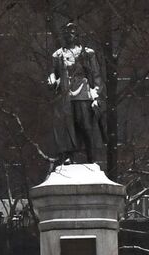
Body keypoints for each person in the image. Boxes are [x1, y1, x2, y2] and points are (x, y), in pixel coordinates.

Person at [47, 21, 107, 166]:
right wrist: (51, 80)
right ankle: (69, 155)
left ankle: (90, 156)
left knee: (85, 124)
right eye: (67, 34)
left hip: (83, 92)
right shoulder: (58, 55)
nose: (69, 36)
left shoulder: (87, 53)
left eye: (72, 33)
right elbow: (53, 73)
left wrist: (96, 93)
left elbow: (96, 75)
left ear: (77, 35)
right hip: (66, 93)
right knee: (68, 125)